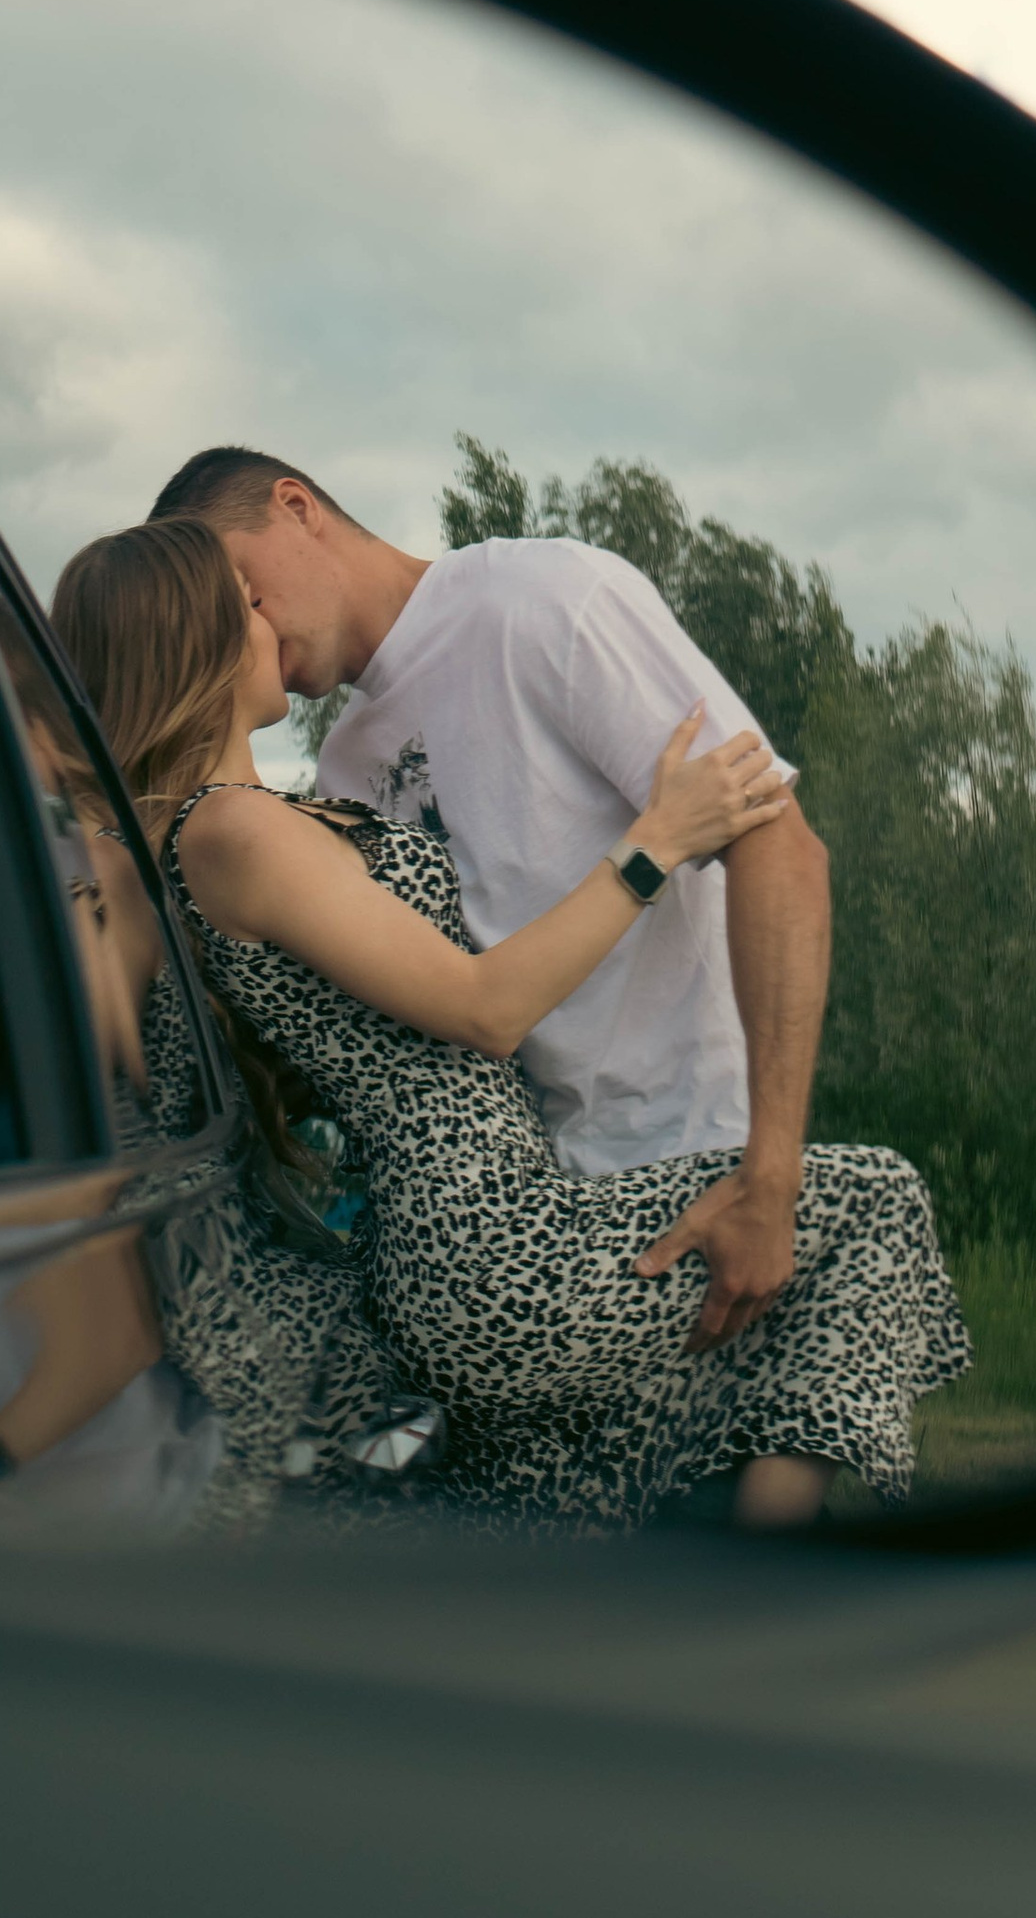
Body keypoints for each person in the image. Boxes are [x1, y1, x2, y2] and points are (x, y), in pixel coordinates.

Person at [53, 516, 969, 1530]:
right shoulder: (232, 828)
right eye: (244, 605)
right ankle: (772, 1582)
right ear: (201, 640)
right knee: (876, 1205)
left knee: (569, 1496)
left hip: (465, 1233)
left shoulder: (264, 815)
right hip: (484, 1233)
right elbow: (485, 1008)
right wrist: (655, 842)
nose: (266, 618)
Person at [148, 445, 832, 1356]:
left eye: (242, 588)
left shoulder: (544, 599)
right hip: (534, 1232)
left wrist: (771, 1171)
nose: (250, 624)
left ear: (296, 506)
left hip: (699, 1170)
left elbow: (778, 846)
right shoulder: (344, 769)